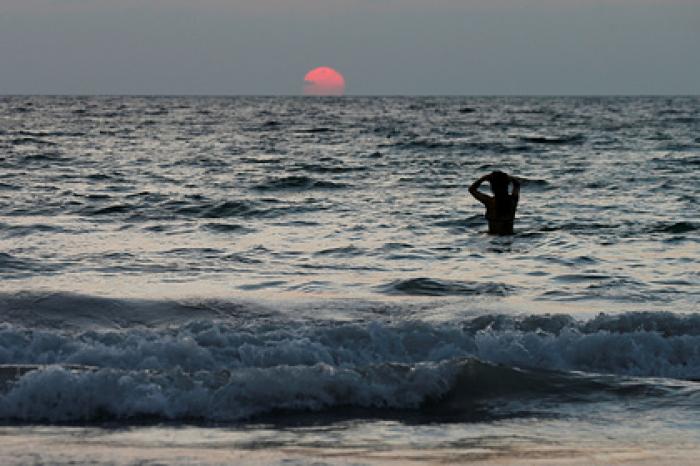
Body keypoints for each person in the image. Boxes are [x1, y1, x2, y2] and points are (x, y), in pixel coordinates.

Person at [469, 170, 520, 235]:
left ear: (492, 187)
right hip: (509, 237)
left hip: (492, 237)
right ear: (506, 186)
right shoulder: (512, 201)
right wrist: (507, 177)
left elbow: (472, 189)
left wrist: (484, 178)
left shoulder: (489, 202)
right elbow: (517, 184)